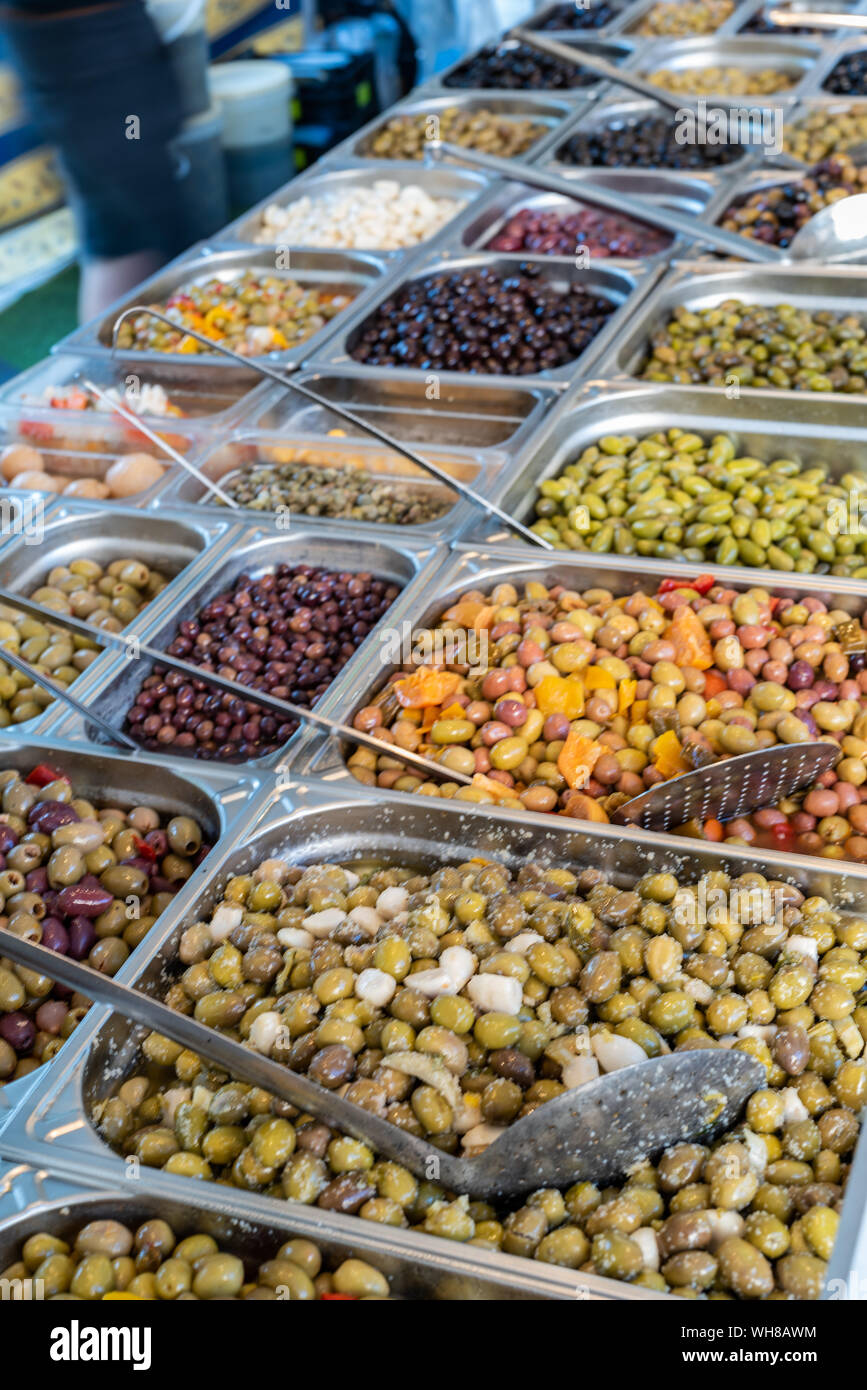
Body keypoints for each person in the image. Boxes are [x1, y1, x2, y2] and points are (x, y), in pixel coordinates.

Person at [0, 0, 186, 320]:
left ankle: (133, 344)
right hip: (84, 43)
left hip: (84, 39)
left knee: (126, 225)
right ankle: (116, 354)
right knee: (127, 231)